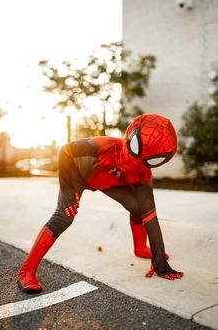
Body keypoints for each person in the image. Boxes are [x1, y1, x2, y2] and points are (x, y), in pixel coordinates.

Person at [17, 113, 184, 293]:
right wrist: (66, 189)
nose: (137, 160)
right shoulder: (104, 145)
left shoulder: (143, 174)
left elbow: (150, 216)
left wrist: (159, 262)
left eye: (150, 158)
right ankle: (26, 270)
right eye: (138, 149)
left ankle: (140, 247)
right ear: (130, 134)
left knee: (138, 207)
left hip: (108, 181)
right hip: (79, 175)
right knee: (64, 216)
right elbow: (66, 150)